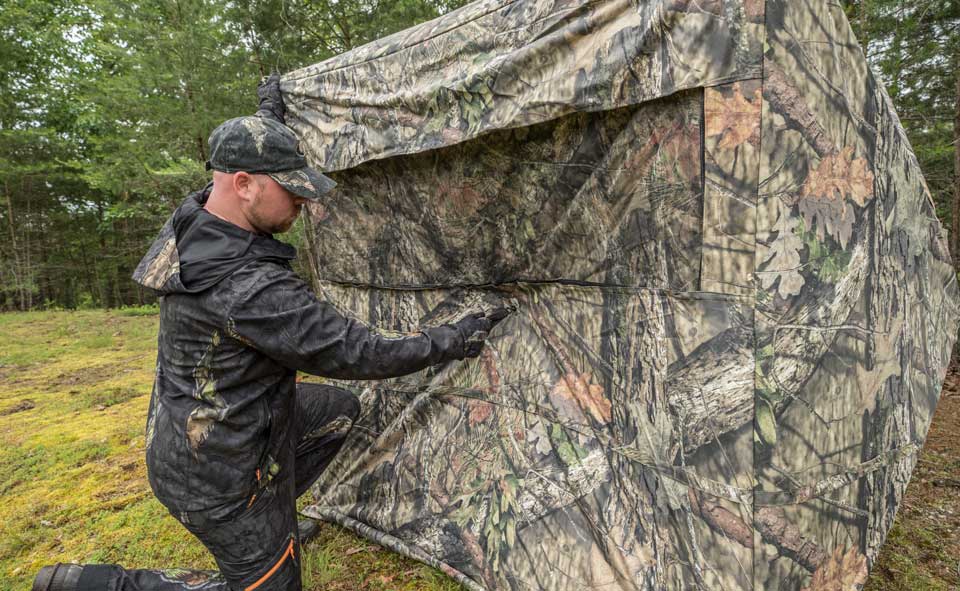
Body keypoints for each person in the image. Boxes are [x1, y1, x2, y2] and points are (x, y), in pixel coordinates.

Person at [32, 74, 509, 591]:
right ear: (243, 184)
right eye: (293, 193)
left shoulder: (199, 217)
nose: (303, 206)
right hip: (216, 479)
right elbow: (360, 352)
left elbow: (249, 164)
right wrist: (457, 337)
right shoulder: (251, 290)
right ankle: (103, 585)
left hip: (199, 432)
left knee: (337, 414)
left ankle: (272, 523)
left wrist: (268, 116)